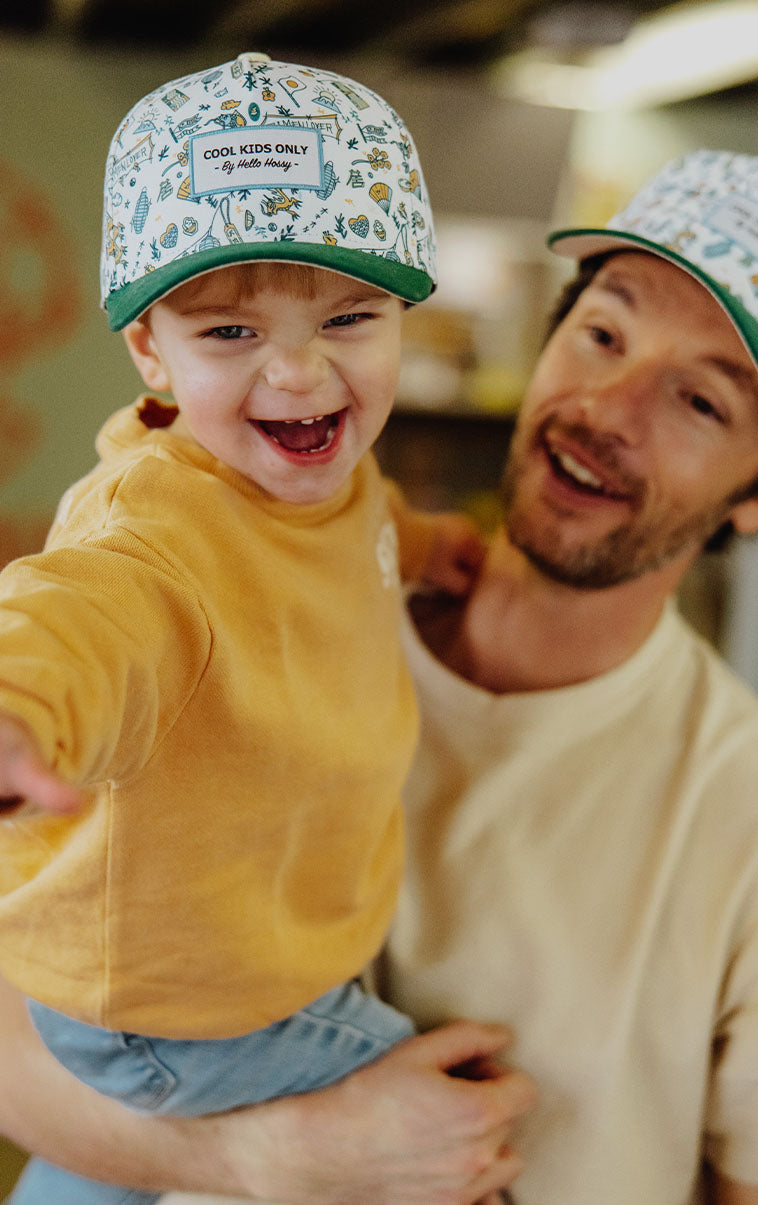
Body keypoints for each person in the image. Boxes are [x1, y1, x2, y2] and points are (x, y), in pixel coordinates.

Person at [0, 150, 758, 1204]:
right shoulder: (242, 596)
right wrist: (265, 1158)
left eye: (697, 399)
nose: (607, 407)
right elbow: (21, 1036)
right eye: (601, 333)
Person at [0, 51, 519, 1205]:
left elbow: (365, 520)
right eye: (229, 333)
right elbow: (73, 614)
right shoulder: (159, 530)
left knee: (104, 1176)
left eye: (350, 315)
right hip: (167, 1005)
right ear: (151, 352)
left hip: (211, 966)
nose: (299, 368)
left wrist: (434, 550)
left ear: (401, 321)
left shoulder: (333, 480)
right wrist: (15, 709)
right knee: (451, 1122)